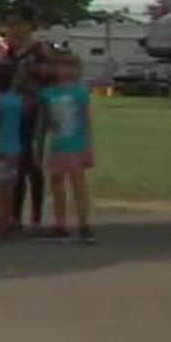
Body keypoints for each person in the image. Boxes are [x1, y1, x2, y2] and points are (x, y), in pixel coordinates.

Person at [0, 7, 50, 232]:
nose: (13, 29)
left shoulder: (40, 51)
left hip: (35, 112)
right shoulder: (10, 53)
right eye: (10, 24)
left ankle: (36, 216)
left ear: (29, 26)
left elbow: (48, 81)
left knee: (32, 163)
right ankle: (15, 216)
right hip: (13, 112)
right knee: (15, 163)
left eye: (18, 23)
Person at [39, 49, 97, 243]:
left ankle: (84, 222)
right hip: (57, 144)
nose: (64, 70)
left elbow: (87, 120)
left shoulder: (80, 91)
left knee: (78, 183)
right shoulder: (48, 92)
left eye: (69, 65)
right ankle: (60, 223)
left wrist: (88, 147)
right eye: (61, 65)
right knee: (56, 183)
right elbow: (45, 120)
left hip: (77, 144)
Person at [0, 61, 27, 241]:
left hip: (0, 149)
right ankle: (9, 221)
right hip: (16, 149)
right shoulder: (19, 102)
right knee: (9, 189)